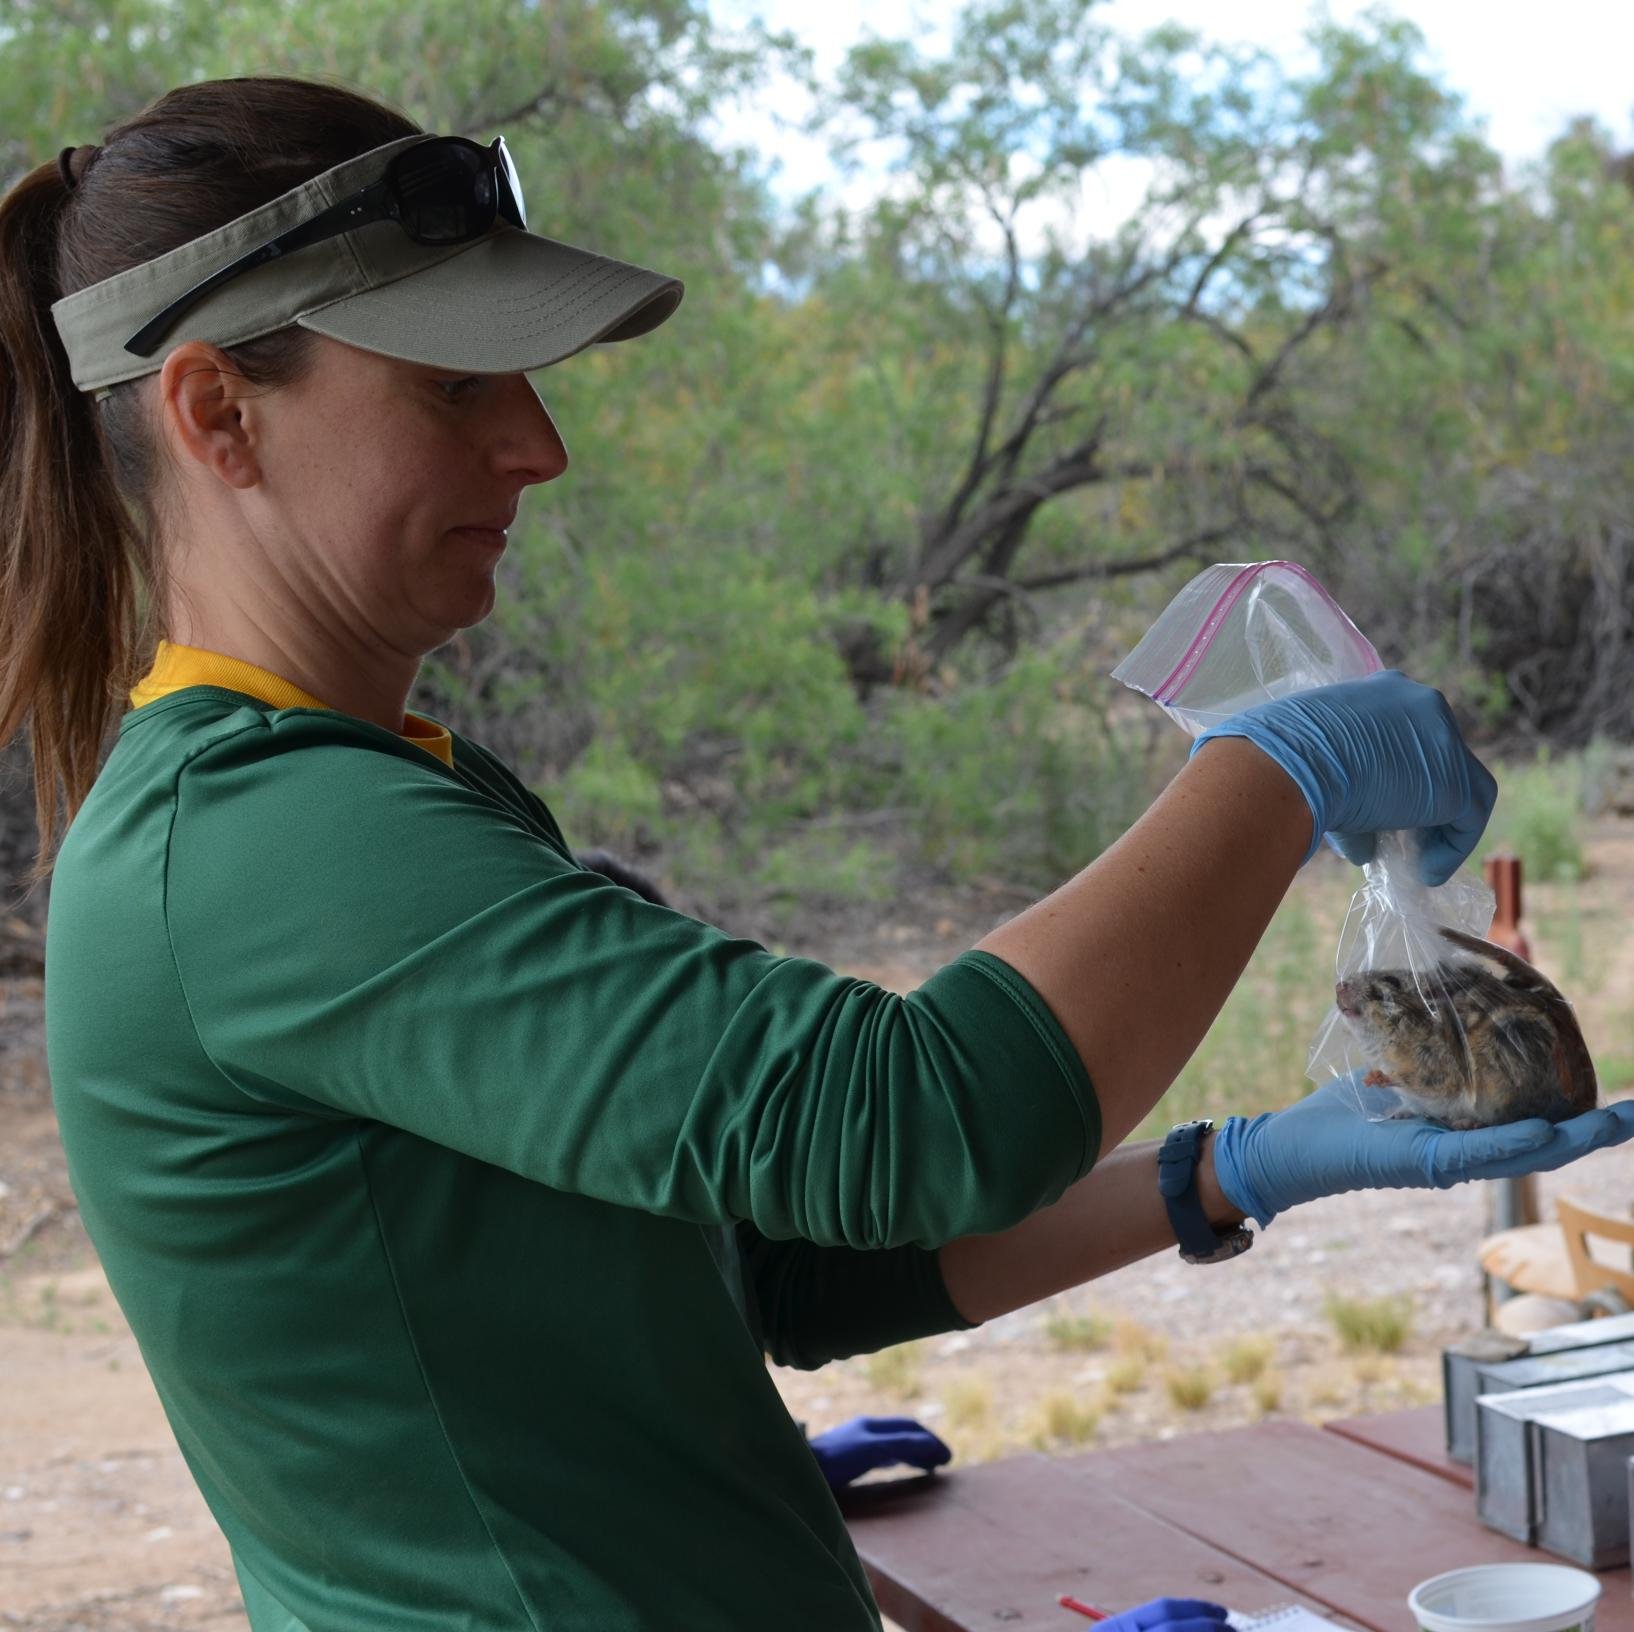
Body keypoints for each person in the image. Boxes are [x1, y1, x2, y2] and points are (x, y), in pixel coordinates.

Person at [4, 75, 1630, 1632]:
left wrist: (1235, 1170)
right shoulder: (260, 843)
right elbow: (908, 1117)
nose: (538, 445)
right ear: (218, 411)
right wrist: (1281, 767)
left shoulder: (392, 798)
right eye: (452, 385)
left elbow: (788, 1266)